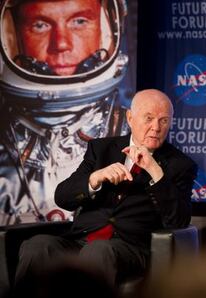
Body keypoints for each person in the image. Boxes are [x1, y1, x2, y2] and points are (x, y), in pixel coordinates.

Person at [13, 89, 197, 290]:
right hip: (82, 240)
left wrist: (154, 170)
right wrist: (95, 179)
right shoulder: (101, 149)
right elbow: (63, 197)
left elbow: (179, 221)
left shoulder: (180, 164)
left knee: (98, 251)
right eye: (149, 118)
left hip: (130, 248)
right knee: (37, 246)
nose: (155, 127)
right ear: (130, 118)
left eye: (163, 121)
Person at [0, 0, 130, 225]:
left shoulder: (131, 133)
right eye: (40, 25)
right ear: (12, 36)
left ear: (106, 30)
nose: (61, 44)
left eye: (79, 21)